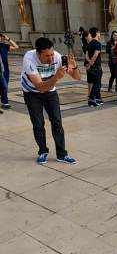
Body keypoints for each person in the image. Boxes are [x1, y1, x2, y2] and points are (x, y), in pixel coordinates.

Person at [21, 37, 80, 165]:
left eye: (52, 54)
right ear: (38, 54)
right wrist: (56, 77)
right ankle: (43, 151)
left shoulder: (58, 57)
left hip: (50, 92)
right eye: (47, 56)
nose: (51, 58)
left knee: (57, 122)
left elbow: (77, 77)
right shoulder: (29, 59)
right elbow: (40, 87)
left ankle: (62, 154)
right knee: (38, 123)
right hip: (32, 93)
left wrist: (74, 68)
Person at [0, 33, 19, 109]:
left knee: (4, 86)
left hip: (6, 70)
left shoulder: (4, 46)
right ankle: (5, 103)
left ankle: (4, 102)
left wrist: (8, 39)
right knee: (4, 86)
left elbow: (16, 47)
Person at [85, 27, 103, 107]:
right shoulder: (97, 43)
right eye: (99, 32)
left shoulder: (89, 43)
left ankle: (97, 99)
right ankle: (91, 100)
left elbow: (86, 55)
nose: (100, 34)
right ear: (96, 33)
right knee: (97, 84)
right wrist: (91, 63)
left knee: (95, 83)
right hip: (96, 66)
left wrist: (89, 63)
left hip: (91, 67)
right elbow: (95, 55)